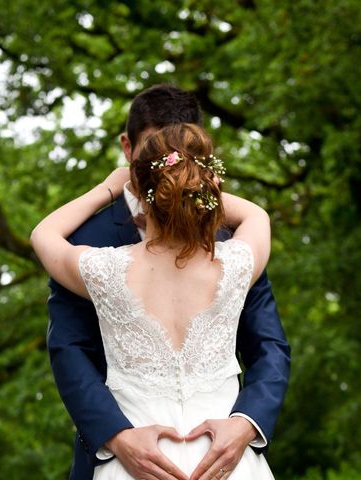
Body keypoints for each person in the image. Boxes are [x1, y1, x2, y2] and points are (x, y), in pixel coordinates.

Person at [44, 85, 291, 480]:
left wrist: (247, 423)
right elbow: (69, 350)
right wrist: (117, 437)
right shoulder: (88, 238)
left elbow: (269, 345)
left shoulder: (227, 238)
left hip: (225, 456)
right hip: (120, 459)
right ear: (128, 148)